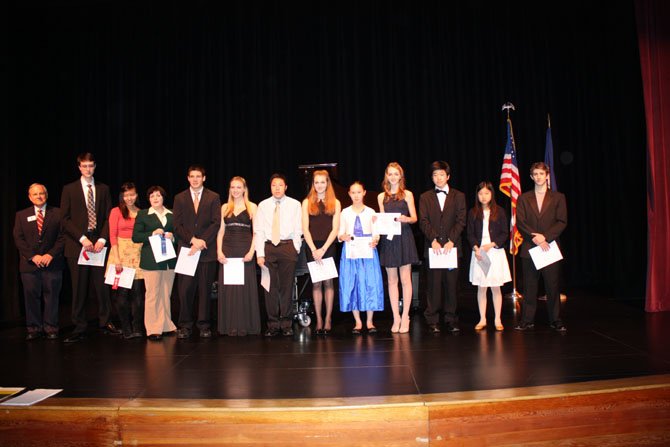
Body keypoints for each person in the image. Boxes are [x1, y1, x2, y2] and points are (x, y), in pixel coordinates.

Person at [60, 152, 120, 343]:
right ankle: (79, 326)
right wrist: (82, 239)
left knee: (102, 286)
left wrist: (102, 239)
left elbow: (109, 217)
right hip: (78, 245)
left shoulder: (103, 189)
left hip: (99, 244)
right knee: (79, 287)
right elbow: (64, 219)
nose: (88, 169)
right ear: (79, 167)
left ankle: (106, 321)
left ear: (95, 166)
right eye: (84, 166)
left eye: (91, 166)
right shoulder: (69, 189)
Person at [515, 162, 568, 332]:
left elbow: (562, 221)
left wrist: (545, 237)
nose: (538, 177)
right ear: (531, 177)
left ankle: (555, 319)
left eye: (541, 173)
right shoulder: (523, 198)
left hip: (549, 247)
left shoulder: (558, 197)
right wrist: (536, 238)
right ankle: (527, 320)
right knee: (529, 286)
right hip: (530, 247)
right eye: (535, 174)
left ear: (547, 175)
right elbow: (520, 222)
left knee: (552, 286)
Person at [173, 165, 221, 339]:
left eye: (198, 176)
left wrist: (202, 242)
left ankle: (204, 325)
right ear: (188, 178)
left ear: (204, 178)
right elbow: (177, 225)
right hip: (187, 250)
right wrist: (193, 240)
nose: (195, 179)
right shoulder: (179, 198)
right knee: (185, 291)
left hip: (207, 252)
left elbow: (216, 223)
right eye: (192, 176)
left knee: (204, 290)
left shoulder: (213, 197)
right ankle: (185, 325)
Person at [418, 161, 466, 333]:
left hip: (452, 248)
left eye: (441, 175)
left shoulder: (458, 196)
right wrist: (433, 239)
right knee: (433, 285)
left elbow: (461, 220)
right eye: (435, 175)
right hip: (434, 248)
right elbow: (423, 221)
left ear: (448, 176)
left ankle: (451, 318)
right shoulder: (425, 197)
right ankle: (432, 319)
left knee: (452, 285)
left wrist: (451, 240)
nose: (438, 178)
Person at [13, 183, 65, 340]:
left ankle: (51, 327)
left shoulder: (58, 213)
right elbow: (18, 238)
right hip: (30, 265)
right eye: (35, 194)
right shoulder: (21, 215)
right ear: (30, 197)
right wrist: (33, 256)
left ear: (46, 195)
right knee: (31, 297)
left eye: (41, 193)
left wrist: (51, 254)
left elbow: (63, 237)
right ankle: (34, 328)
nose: (39, 196)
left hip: (52, 263)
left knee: (52, 296)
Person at [254, 173, 303, 337]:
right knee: (270, 287)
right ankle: (273, 324)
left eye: (280, 185)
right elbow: (258, 231)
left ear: (286, 187)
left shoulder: (295, 204)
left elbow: (298, 229)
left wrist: (295, 247)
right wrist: (259, 253)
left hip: (287, 247)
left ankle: (286, 323)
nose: (277, 188)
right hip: (268, 248)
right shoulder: (262, 205)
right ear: (270, 187)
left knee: (287, 287)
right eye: (274, 185)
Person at [377, 162, 419, 334]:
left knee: (406, 280)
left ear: (401, 176)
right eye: (390, 174)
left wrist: (405, 218)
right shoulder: (381, 196)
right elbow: (381, 219)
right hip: (389, 240)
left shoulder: (407, 194)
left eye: (396, 174)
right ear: (386, 176)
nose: (393, 177)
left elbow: (415, 217)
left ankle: (406, 316)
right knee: (392, 281)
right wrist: (376, 222)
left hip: (404, 238)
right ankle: (396, 317)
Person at [216, 176, 261, 336]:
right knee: (229, 288)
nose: (235, 190)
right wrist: (219, 251)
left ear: (244, 189)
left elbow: (256, 232)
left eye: (238, 187)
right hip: (227, 251)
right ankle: (230, 326)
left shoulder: (252, 207)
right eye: (232, 187)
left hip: (245, 250)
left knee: (244, 288)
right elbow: (220, 232)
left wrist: (251, 252)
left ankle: (246, 326)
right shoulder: (224, 207)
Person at [132, 186, 178, 341]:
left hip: (169, 260)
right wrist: (151, 233)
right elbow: (136, 236)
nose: (155, 198)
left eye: (158, 195)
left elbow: (180, 234)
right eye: (152, 196)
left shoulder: (172, 214)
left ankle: (166, 325)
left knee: (166, 294)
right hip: (151, 261)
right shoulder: (143, 214)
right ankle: (152, 328)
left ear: (163, 197)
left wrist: (173, 237)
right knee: (152, 294)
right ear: (149, 199)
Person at [338, 181, 384, 334]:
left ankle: (370, 321)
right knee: (353, 284)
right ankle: (358, 321)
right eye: (353, 192)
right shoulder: (345, 212)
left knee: (370, 283)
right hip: (351, 253)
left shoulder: (371, 212)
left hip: (368, 252)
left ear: (364, 192)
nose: (356, 195)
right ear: (349, 194)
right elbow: (340, 233)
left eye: (359, 192)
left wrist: (375, 240)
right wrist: (343, 237)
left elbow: (376, 232)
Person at [466, 181, 511, 331]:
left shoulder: (500, 211)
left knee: (496, 287)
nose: (483, 197)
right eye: (480, 194)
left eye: (486, 193)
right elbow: (470, 234)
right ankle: (482, 318)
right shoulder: (473, 212)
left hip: (495, 252)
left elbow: (505, 233)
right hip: (479, 253)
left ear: (491, 194)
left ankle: (498, 318)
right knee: (481, 287)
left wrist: (491, 245)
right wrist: (476, 248)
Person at [301, 170, 341, 335]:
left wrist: (324, 249)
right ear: (313, 184)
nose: (319, 185)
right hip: (312, 247)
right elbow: (305, 228)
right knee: (316, 283)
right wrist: (313, 249)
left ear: (327, 183)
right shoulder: (306, 202)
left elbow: (335, 228)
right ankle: (318, 319)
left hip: (328, 246)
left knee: (328, 283)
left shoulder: (336, 202)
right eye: (316, 182)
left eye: (322, 182)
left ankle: (328, 318)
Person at [107, 182, 145, 339]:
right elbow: (112, 235)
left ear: (136, 195)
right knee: (122, 295)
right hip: (120, 253)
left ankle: (137, 327)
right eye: (126, 195)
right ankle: (126, 327)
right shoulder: (116, 211)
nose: (129, 198)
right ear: (122, 196)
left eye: (132, 194)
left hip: (138, 253)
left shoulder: (142, 212)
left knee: (138, 294)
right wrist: (116, 258)